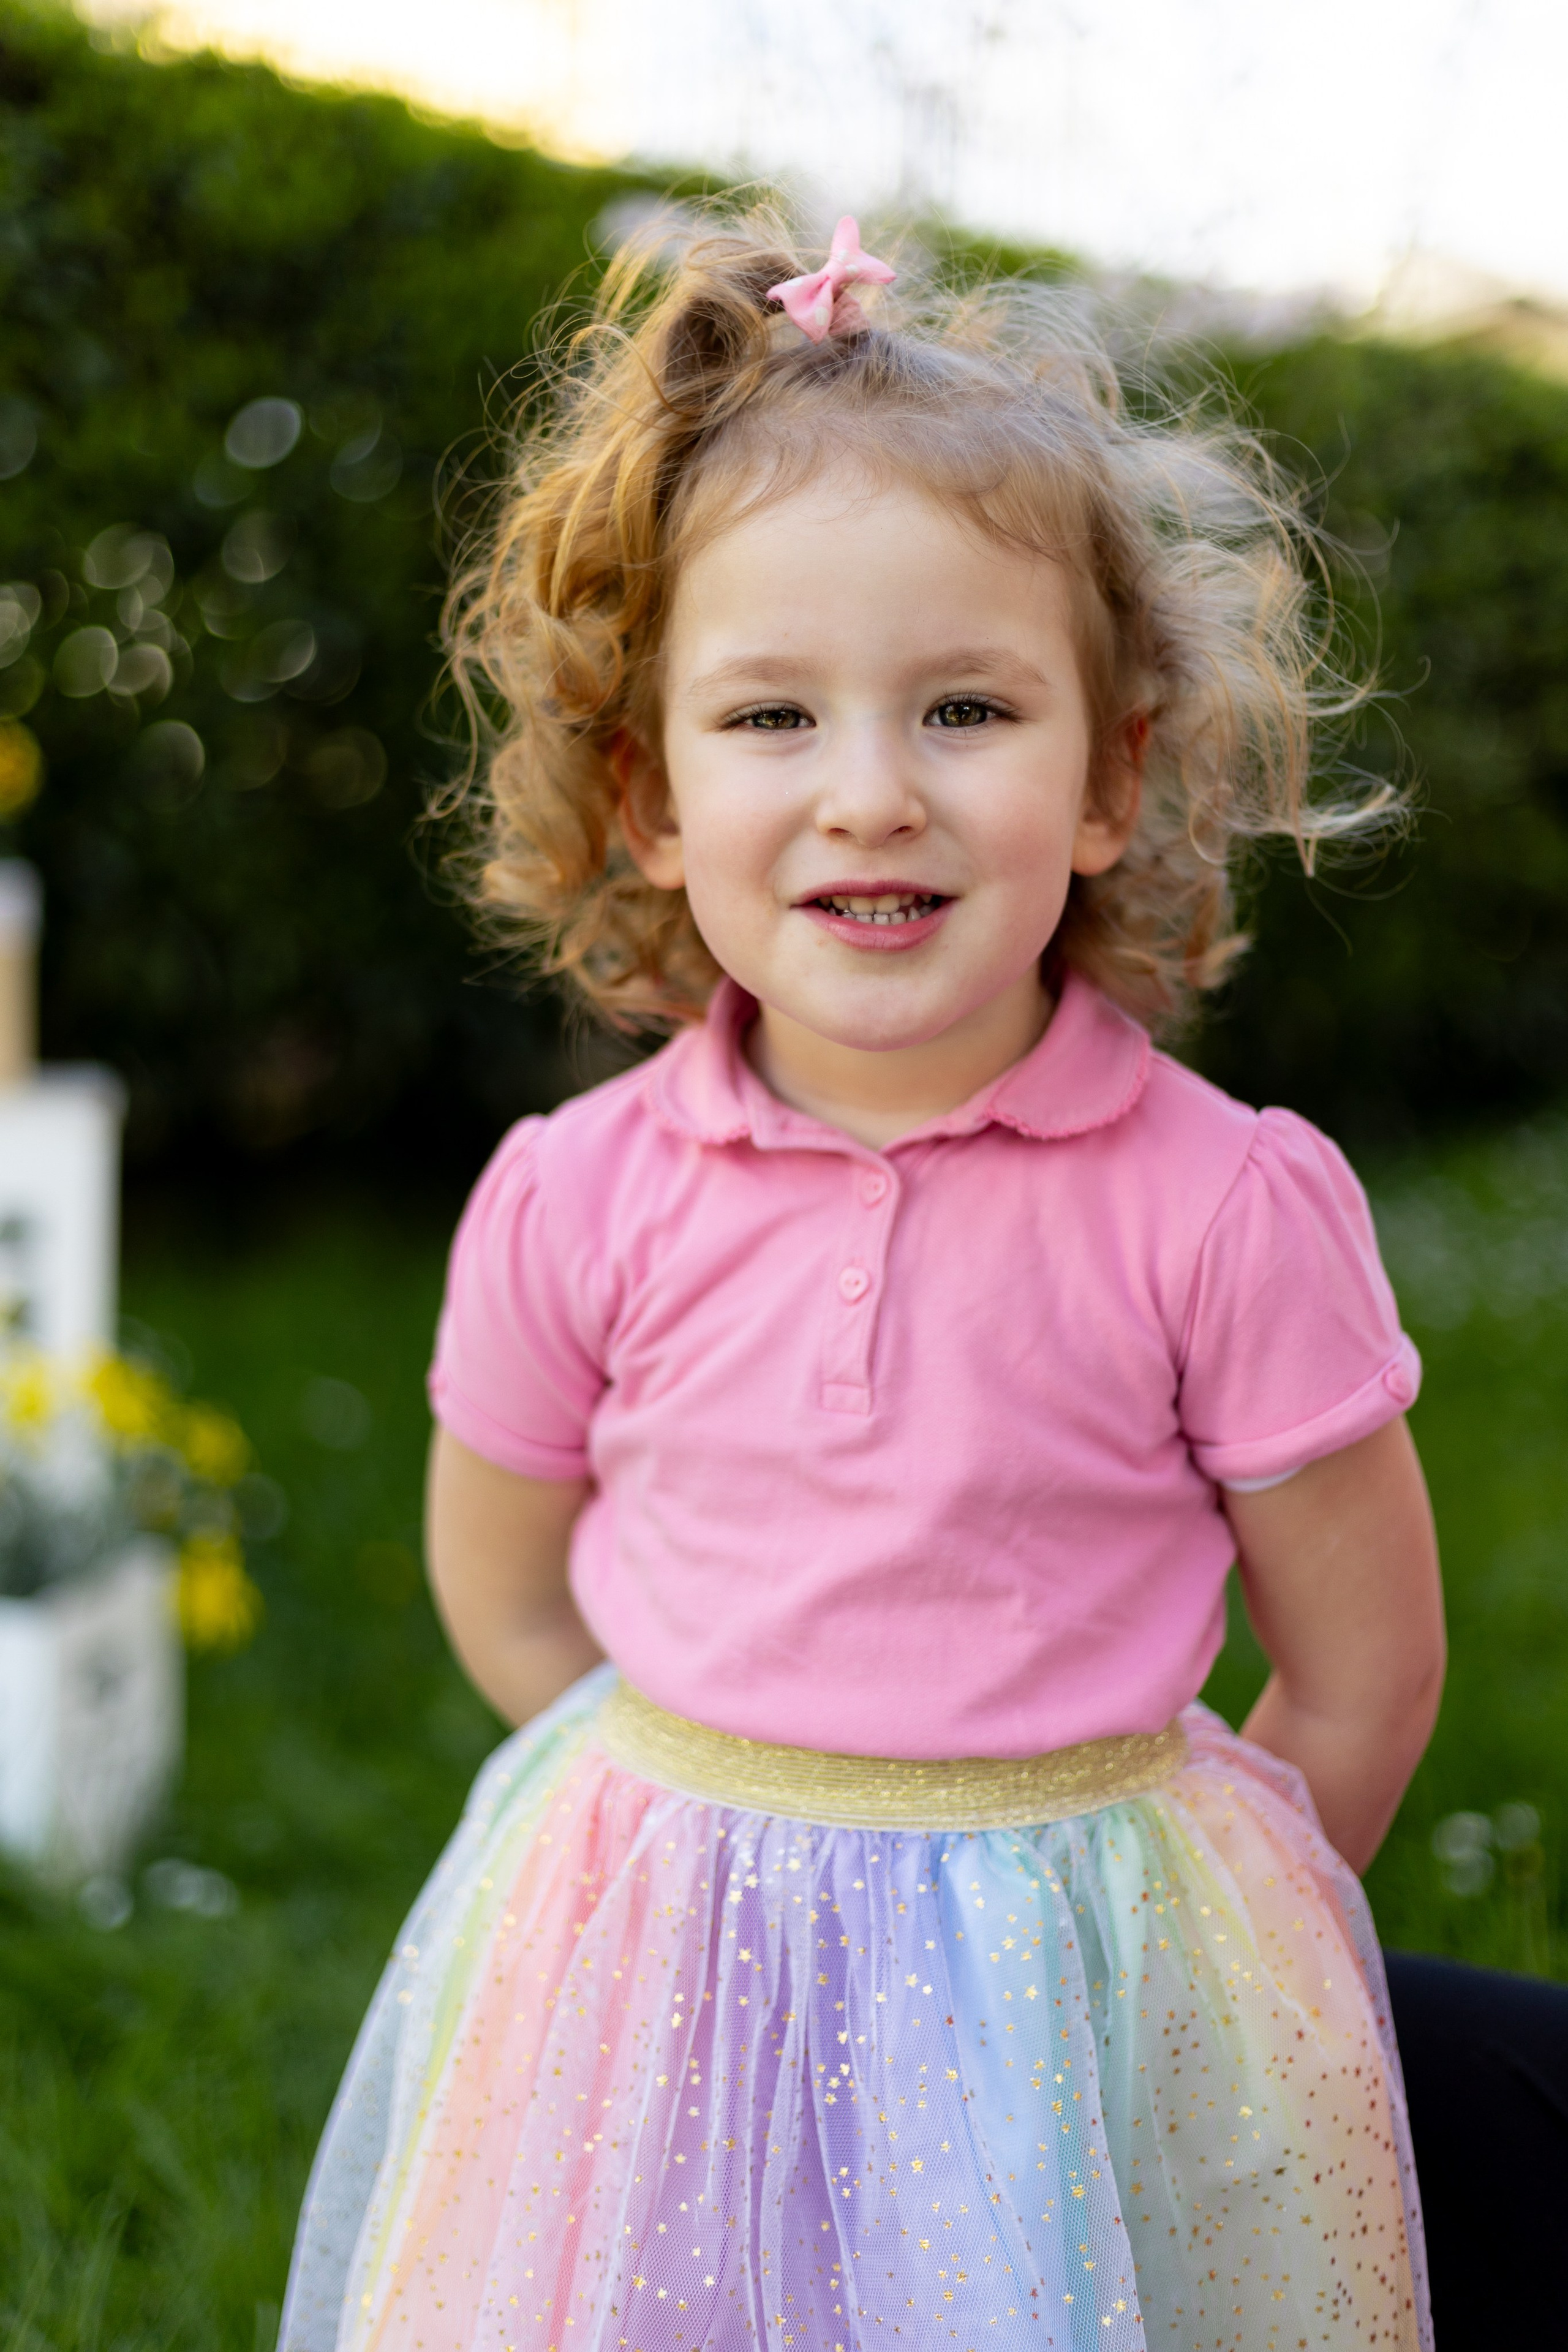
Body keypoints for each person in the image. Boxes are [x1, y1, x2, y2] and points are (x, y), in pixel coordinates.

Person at [281, 211, 1446, 2352]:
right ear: (645, 793)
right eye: (772, 716)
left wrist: (1214, 1965)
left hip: (1066, 1974)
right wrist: (698, 1860)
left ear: (1106, 775)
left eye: (969, 707)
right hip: (666, 1964)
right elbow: (508, 1579)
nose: (871, 793)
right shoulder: (578, 1196)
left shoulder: (1225, 1205)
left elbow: (1362, 1673)